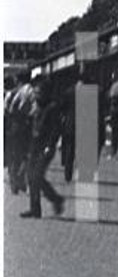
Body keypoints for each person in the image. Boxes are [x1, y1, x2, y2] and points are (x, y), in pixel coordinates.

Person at [23, 77, 65, 219]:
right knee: (31, 176)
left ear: (46, 92)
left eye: (39, 92)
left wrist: (50, 145)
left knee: (37, 176)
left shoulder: (52, 107)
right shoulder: (36, 106)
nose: (36, 95)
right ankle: (35, 209)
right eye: (35, 92)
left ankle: (55, 199)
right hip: (33, 145)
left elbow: (55, 129)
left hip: (45, 146)